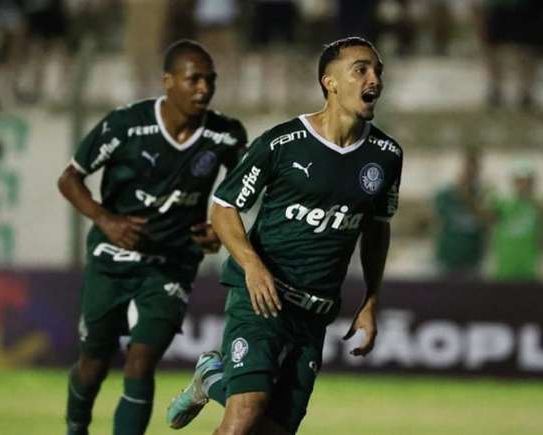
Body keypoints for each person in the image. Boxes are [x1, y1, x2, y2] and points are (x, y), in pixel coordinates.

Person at [166, 36, 402, 434]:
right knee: (245, 414)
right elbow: (223, 209)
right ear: (330, 81)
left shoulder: (386, 156)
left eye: (378, 70)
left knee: (268, 429)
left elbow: (378, 228)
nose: (374, 78)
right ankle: (216, 379)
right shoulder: (282, 143)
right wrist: (252, 266)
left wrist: (371, 299)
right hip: (262, 295)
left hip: (315, 310)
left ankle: (211, 378)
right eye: (361, 69)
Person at [57, 39, 247, 435]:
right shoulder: (126, 125)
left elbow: (241, 187)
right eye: (194, 80)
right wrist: (106, 220)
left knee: (141, 360)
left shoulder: (225, 135)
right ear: (168, 81)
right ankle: (76, 427)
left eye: (210, 81)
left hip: (172, 263)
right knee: (93, 362)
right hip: (113, 259)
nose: (204, 90)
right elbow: (70, 178)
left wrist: (218, 227)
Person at [433, 146, 490, 280]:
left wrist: (470, 199)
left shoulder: (485, 195)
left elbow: (488, 220)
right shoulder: (446, 194)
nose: (470, 172)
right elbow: (433, 218)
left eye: (474, 168)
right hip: (447, 259)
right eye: (467, 167)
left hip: (473, 260)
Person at [489, 160, 542, 281]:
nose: (523, 185)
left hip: (528, 271)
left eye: (527, 181)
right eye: (520, 181)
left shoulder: (537, 207)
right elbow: (487, 216)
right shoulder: (502, 204)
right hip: (505, 271)